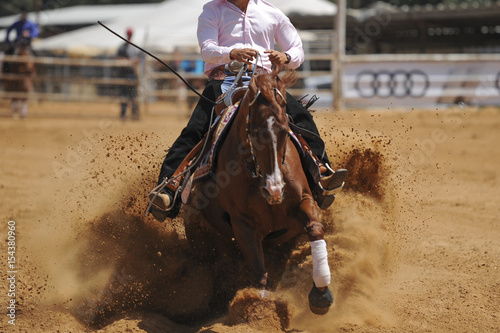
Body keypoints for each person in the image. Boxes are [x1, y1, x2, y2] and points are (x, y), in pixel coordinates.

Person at [148, 0, 347, 221]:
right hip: (224, 79)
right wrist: (232, 53)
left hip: (265, 80)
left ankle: (320, 172)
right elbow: (207, 49)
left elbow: (296, 49)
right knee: (195, 129)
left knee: (301, 117)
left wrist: (286, 57)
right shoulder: (213, 10)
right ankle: (168, 188)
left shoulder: (271, 12)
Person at [116, 28, 139, 120]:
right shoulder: (122, 47)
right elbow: (119, 59)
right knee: (124, 94)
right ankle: (123, 114)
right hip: (124, 74)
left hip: (133, 74)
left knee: (133, 95)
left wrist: (135, 61)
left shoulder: (135, 47)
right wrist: (129, 61)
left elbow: (139, 58)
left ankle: (134, 114)